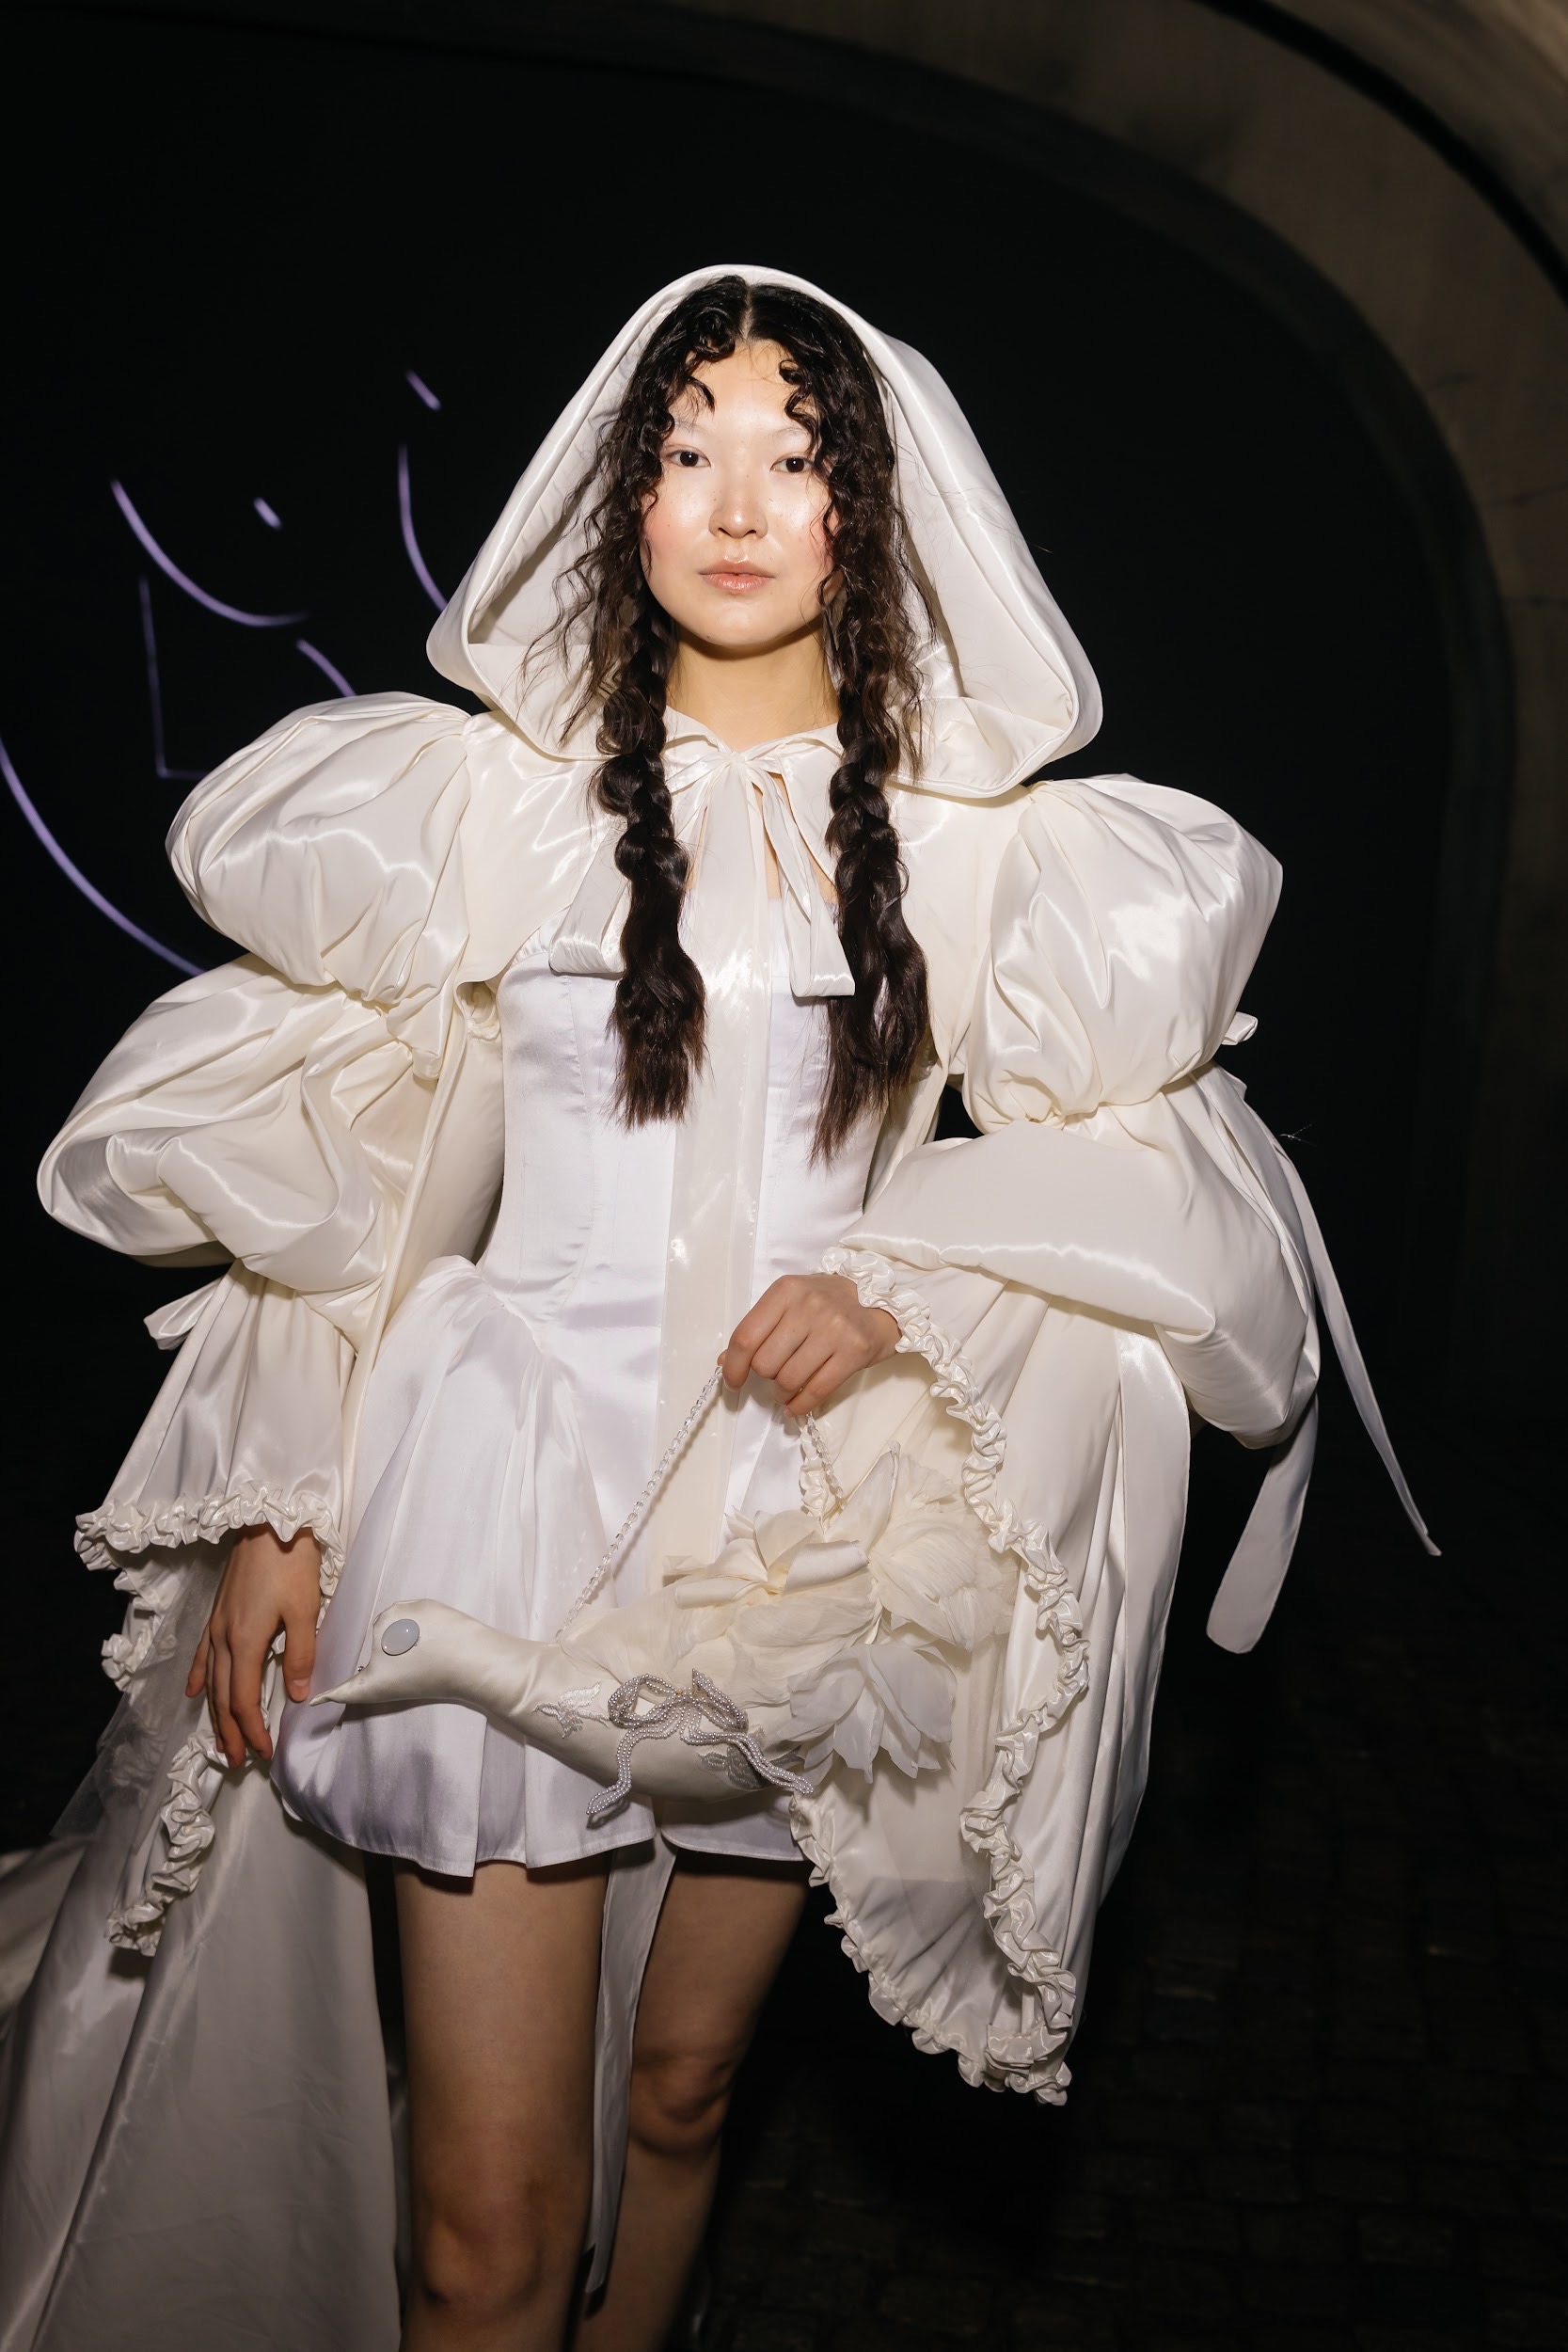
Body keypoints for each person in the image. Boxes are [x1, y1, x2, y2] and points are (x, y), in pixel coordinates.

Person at [0, 267, 1432, 2352]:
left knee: (681, 2093)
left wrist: (909, 1274)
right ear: (623, 495)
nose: (737, 503)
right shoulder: (489, 805)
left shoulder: (990, 858)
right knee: (487, 2233)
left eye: (795, 455)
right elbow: (357, 1167)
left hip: (803, 1548)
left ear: (875, 509)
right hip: (504, 1503)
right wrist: (282, 1487)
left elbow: (1167, 1187)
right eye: (687, 451)